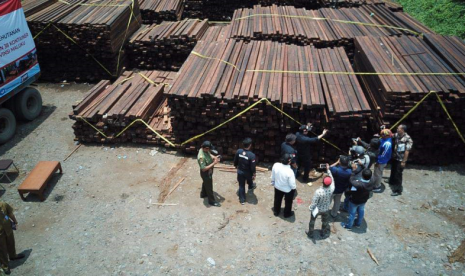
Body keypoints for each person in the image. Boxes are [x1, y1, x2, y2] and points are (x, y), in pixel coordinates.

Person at [307, 164, 335, 239]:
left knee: (312, 221)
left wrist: (310, 207)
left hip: (317, 209)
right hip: (326, 209)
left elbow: (314, 202)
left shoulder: (318, 192)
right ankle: (323, 233)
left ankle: (311, 233)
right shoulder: (332, 189)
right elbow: (332, 179)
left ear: (323, 182)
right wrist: (328, 170)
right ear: (330, 183)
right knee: (325, 222)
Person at [388, 124, 413, 196]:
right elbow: (391, 135)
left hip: (401, 159)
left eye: (398, 128)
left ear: (403, 130)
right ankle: (392, 181)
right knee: (393, 170)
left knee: (398, 174)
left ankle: (398, 190)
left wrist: (403, 161)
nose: (397, 129)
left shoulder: (408, 139)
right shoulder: (397, 135)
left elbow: (407, 151)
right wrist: (385, 130)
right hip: (395, 157)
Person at [0, 201, 24, 275]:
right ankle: (5, 265)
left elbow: (10, 214)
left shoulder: (3, 204)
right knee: (2, 250)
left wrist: (15, 221)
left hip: (8, 229)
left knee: (11, 243)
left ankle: (13, 256)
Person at [271, 153, 296, 218]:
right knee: (288, 202)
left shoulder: (276, 165)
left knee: (277, 199)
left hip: (277, 187)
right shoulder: (290, 171)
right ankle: (287, 214)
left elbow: (273, 176)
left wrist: (273, 182)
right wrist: (294, 189)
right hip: (287, 190)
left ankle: (276, 211)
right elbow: (292, 184)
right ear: (289, 161)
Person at [234, 138, 257, 205]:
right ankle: (250, 186)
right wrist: (254, 173)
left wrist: (235, 165)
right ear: (250, 145)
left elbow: (235, 160)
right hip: (248, 173)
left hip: (240, 171)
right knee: (249, 180)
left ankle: (242, 200)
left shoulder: (239, 151)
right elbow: (253, 166)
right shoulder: (252, 155)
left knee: (241, 185)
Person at [197, 141, 221, 207]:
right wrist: (214, 163)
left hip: (208, 171)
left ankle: (203, 194)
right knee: (209, 186)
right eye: (208, 149)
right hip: (206, 173)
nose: (209, 150)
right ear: (204, 148)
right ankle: (212, 201)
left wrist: (214, 157)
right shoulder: (201, 157)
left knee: (205, 182)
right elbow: (203, 168)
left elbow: (209, 154)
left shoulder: (204, 150)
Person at [372, 129, 392, 193]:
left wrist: (379, 162)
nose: (381, 136)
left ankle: (377, 186)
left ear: (386, 135)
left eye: (382, 135)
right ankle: (375, 183)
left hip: (381, 161)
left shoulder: (387, 143)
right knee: (376, 173)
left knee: (378, 174)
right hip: (380, 159)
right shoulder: (384, 139)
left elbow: (384, 155)